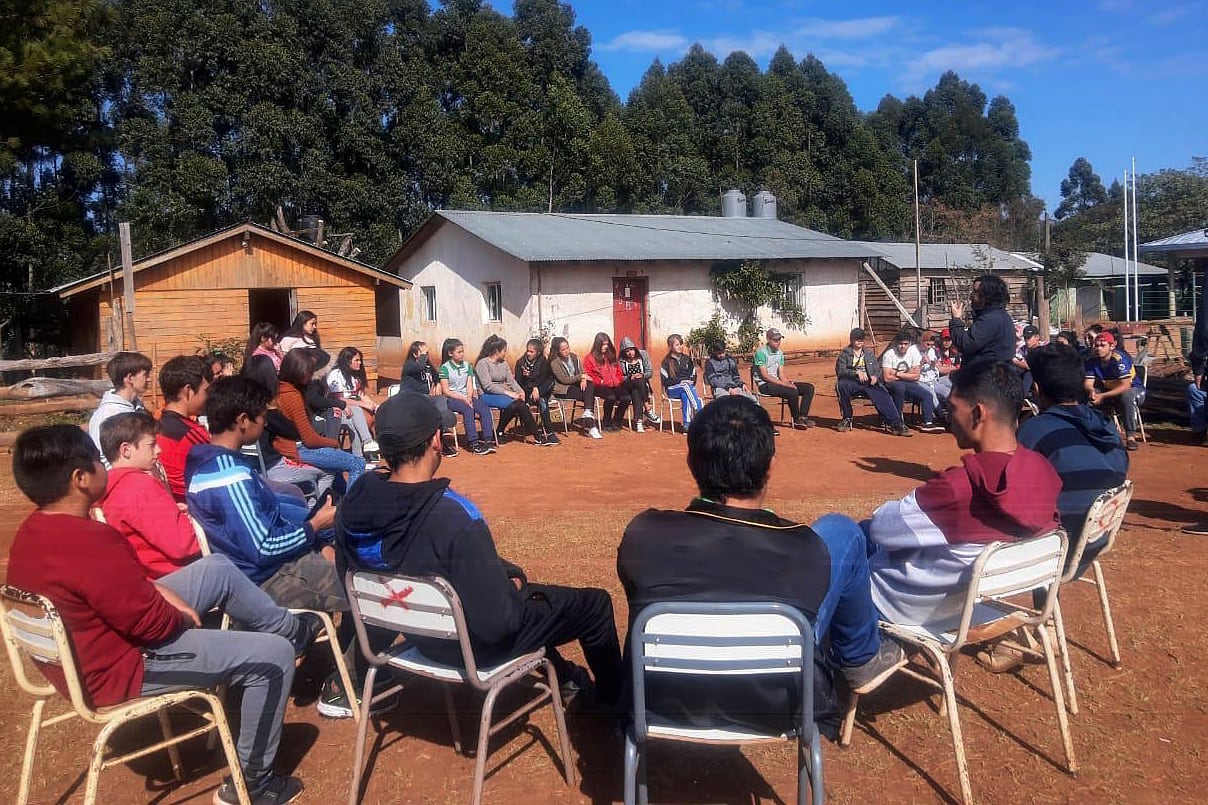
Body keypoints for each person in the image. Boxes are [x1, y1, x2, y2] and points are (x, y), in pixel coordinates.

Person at [6, 423, 316, 804]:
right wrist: (186, 616)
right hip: (122, 667)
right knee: (272, 657)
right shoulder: (90, 541)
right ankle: (253, 784)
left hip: (88, 655)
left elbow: (116, 590)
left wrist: (161, 592)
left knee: (215, 569)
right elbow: (153, 626)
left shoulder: (32, 533)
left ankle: (290, 629)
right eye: (96, 460)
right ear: (80, 478)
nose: (104, 466)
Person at [617, 396, 906, 738]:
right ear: (770, 466)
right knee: (841, 530)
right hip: (781, 707)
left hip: (658, 700)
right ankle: (860, 658)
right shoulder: (806, 548)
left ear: (691, 461)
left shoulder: (643, 534)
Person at [335, 393, 625, 712]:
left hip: (417, 634)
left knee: (512, 583)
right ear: (435, 440)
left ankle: (567, 676)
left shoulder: (352, 505)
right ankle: (615, 706)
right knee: (593, 605)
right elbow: (499, 624)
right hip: (471, 649)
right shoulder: (454, 515)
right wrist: (514, 591)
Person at [865, 361, 1062, 634]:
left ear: (978, 414)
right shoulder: (1043, 471)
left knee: (845, 534)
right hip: (973, 597)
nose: (948, 416)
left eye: (952, 408)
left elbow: (881, 529)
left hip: (906, 607)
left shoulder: (959, 488)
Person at [1018, 344, 1129, 620]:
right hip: (1097, 540)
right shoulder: (1105, 426)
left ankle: (1045, 628)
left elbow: (1014, 491)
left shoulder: (1034, 429)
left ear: (1038, 390)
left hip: (1058, 552)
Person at [98, 411, 201, 579]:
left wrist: (172, 512)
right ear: (126, 450)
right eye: (152, 444)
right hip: (171, 576)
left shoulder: (111, 486)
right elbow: (184, 545)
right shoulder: (139, 486)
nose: (159, 450)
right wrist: (197, 518)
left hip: (145, 577)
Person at [242, 355, 332, 497]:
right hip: (272, 468)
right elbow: (294, 433)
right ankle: (313, 514)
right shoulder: (267, 410)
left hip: (248, 468)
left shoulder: (239, 406)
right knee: (327, 472)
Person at [277, 348, 367, 489]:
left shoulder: (281, 388)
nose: (312, 374)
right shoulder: (292, 396)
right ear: (299, 371)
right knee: (357, 463)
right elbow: (309, 439)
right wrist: (333, 443)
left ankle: (336, 500)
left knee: (335, 464)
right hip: (297, 449)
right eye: (309, 370)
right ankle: (351, 508)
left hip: (293, 446)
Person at [155, 355, 213, 502]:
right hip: (198, 503)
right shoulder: (191, 434)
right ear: (188, 391)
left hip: (174, 500)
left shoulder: (156, 423)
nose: (209, 397)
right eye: (206, 391)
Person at [474, 335, 549, 445]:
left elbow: (511, 381)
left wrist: (520, 391)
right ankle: (537, 436)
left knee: (519, 404)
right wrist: (509, 393)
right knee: (518, 404)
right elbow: (487, 386)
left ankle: (500, 431)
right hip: (486, 395)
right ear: (496, 351)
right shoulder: (483, 364)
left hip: (502, 394)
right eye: (504, 351)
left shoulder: (503, 363)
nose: (505, 353)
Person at [834, 328, 910, 436]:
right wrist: (855, 373)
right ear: (852, 340)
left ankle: (896, 423)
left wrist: (875, 376)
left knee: (882, 392)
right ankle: (847, 418)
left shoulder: (868, 354)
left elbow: (876, 369)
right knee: (841, 385)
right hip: (851, 382)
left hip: (868, 382)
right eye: (856, 339)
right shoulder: (845, 354)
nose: (859, 341)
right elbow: (840, 371)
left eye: (861, 339)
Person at [1084, 331, 1145, 451]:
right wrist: (1092, 391)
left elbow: (1126, 386)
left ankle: (1130, 436)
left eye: (1102, 345)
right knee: (1088, 397)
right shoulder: (1092, 360)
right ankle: (1096, 433)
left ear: (1112, 346)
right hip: (1108, 390)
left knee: (1127, 396)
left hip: (1133, 390)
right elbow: (1088, 383)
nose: (1098, 349)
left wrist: (1103, 395)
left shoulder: (1119, 359)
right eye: (1096, 345)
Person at [438, 337, 497, 455]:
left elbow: (469, 384)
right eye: (459, 352)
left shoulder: (467, 366)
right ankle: (473, 442)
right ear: (450, 353)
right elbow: (446, 391)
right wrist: (464, 399)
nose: (462, 354)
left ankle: (487, 440)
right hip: (452, 399)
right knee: (468, 409)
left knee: (484, 409)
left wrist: (469, 397)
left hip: (467, 397)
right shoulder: (445, 368)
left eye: (462, 351)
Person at [88, 351, 152, 457]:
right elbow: (105, 458)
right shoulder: (108, 415)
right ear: (130, 378)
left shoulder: (137, 406)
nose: (149, 379)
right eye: (145, 375)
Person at [402, 340, 460, 456]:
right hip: (411, 398)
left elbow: (436, 375)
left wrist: (438, 383)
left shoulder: (427, 366)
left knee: (441, 399)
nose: (427, 356)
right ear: (415, 354)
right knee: (430, 406)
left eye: (427, 353)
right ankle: (438, 436)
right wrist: (423, 357)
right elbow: (419, 367)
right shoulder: (410, 365)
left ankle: (441, 429)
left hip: (426, 398)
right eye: (424, 353)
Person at [880, 330, 945, 433]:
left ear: (909, 344)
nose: (903, 346)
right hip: (892, 384)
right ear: (896, 343)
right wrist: (907, 374)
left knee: (927, 394)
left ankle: (928, 422)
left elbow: (916, 376)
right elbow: (887, 378)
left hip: (907, 382)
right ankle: (898, 422)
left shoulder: (912, 354)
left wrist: (897, 373)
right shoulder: (889, 354)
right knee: (899, 388)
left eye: (905, 344)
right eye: (900, 344)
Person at [947, 274, 1016, 369]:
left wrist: (956, 320)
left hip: (987, 376)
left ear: (987, 295)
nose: (971, 296)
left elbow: (966, 344)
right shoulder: (999, 316)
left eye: (976, 292)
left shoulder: (991, 319)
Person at [752, 328, 815, 428]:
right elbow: (765, 376)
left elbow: (781, 374)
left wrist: (788, 383)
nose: (778, 342)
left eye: (779, 340)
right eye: (775, 340)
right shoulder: (761, 353)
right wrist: (785, 385)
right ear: (768, 339)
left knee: (809, 388)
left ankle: (803, 417)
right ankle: (796, 419)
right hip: (765, 384)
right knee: (792, 392)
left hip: (778, 382)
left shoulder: (780, 353)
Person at [326, 347, 380, 459]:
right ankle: (365, 447)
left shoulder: (355, 374)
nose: (360, 363)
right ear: (347, 361)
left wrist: (373, 405)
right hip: (340, 409)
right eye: (356, 360)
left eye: (360, 360)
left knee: (377, 413)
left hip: (355, 406)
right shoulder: (335, 375)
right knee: (358, 414)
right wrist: (364, 405)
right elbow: (339, 399)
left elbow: (361, 394)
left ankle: (371, 451)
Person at [549, 336, 602, 439]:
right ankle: (592, 427)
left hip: (576, 384)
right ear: (557, 351)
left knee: (589, 383)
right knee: (589, 396)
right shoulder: (554, 362)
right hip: (563, 388)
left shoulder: (574, 357)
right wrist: (581, 377)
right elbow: (563, 380)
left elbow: (583, 372)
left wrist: (583, 379)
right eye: (563, 349)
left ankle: (587, 413)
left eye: (567, 348)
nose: (566, 351)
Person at [584, 332, 634, 432]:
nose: (606, 347)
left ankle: (617, 420)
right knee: (610, 397)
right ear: (598, 345)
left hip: (615, 384)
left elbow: (618, 370)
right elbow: (589, 374)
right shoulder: (589, 358)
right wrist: (600, 381)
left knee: (626, 398)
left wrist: (619, 380)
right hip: (600, 385)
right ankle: (606, 421)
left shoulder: (611, 356)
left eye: (607, 344)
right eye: (603, 344)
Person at [515, 338, 561, 444]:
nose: (528, 353)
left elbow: (544, 379)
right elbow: (519, 383)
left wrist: (536, 388)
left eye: (531, 351)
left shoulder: (543, 362)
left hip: (541, 390)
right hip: (527, 392)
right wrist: (528, 378)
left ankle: (549, 433)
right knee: (542, 402)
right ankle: (548, 432)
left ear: (538, 353)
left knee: (545, 395)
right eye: (527, 351)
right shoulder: (520, 363)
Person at [618, 337, 660, 426]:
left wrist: (642, 375)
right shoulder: (621, 360)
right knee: (638, 382)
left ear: (635, 349)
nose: (630, 353)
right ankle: (648, 409)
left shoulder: (643, 355)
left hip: (641, 386)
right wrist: (629, 377)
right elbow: (619, 377)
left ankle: (639, 422)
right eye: (627, 351)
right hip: (627, 385)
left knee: (636, 390)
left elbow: (650, 372)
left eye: (631, 350)